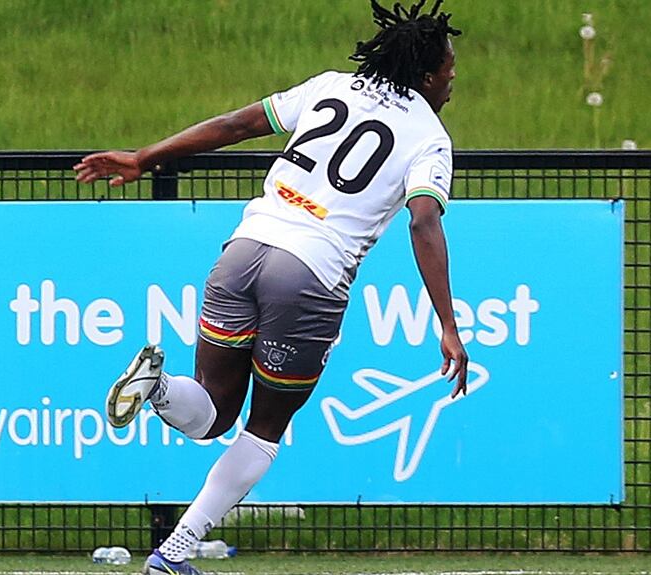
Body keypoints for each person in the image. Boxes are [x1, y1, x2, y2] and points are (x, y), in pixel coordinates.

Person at [74, 1, 467, 573]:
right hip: (309, 276)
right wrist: (448, 324)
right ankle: (175, 551)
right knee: (265, 426)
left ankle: (157, 391)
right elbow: (424, 220)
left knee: (211, 413)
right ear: (427, 75)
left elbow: (236, 125)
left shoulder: (332, 87)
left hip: (244, 251)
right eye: (450, 72)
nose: (453, 82)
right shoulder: (430, 138)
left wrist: (143, 156)